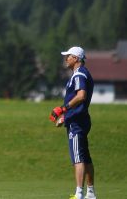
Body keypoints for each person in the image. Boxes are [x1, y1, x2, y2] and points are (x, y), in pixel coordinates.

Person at [49, 46, 96, 199]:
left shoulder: (79, 75)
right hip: (78, 119)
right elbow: (79, 102)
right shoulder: (81, 74)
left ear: (76, 58)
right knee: (85, 157)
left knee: (78, 158)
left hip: (77, 122)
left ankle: (79, 194)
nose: (66, 59)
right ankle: (90, 193)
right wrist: (65, 117)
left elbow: (81, 96)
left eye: (68, 56)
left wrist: (63, 109)